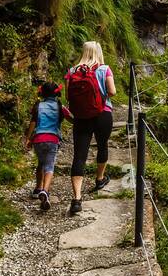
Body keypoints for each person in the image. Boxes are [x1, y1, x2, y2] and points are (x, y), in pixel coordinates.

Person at [63, 41, 117, 216]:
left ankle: (77, 198)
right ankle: (100, 179)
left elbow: (68, 97)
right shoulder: (104, 68)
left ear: (84, 52)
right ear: (98, 52)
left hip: (81, 117)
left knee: (79, 155)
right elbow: (113, 91)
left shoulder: (72, 72)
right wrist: (99, 98)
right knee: (102, 145)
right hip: (103, 113)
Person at [25, 81, 72, 212]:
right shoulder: (59, 106)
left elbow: (33, 122)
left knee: (41, 163)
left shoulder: (38, 105)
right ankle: (45, 191)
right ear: (57, 93)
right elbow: (71, 118)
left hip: (38, 139)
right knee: (49, 166)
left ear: (42, 93)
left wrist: (28, 139)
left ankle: (37, 188)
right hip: (52, 139)